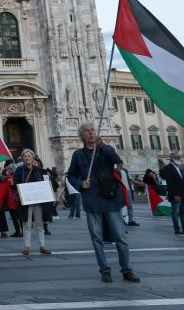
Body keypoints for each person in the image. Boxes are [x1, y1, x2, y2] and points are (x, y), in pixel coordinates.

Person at [66, 121, 140, 283]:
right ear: (82, 136)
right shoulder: (78, 155)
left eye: (93, 130)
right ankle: (104, 270)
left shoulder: (106, 150)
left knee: (120, 236)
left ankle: (127, 269)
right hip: (92, 200)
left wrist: (103, 146)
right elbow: (71, 175)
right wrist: (81, 184)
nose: (91, 132)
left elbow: (117, 160)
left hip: (110, 199)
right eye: (87, 131)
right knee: (96, 238)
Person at [14, 149, 51, 257]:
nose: (27, 158)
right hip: (26, 201)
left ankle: (42, 245)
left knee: (40, 224)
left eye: (29, 156)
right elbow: (15, 184)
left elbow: (45, 184)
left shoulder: (39, 170)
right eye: (25, 156)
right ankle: (27, 246)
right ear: (22, 158)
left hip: (38, 200)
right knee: (27, 223)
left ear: (33, 157)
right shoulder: (19, 170)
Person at [159, 152, 184, 235]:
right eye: (177, 157)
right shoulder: (168, 167)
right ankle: (177, 229)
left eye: (179, 157)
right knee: (175, 213)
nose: (179, 158)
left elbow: (183, 181)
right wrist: (175, 195)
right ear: (172, 158)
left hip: (183, 193)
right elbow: (170, 183)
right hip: (176, 195)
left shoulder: (180, 167)